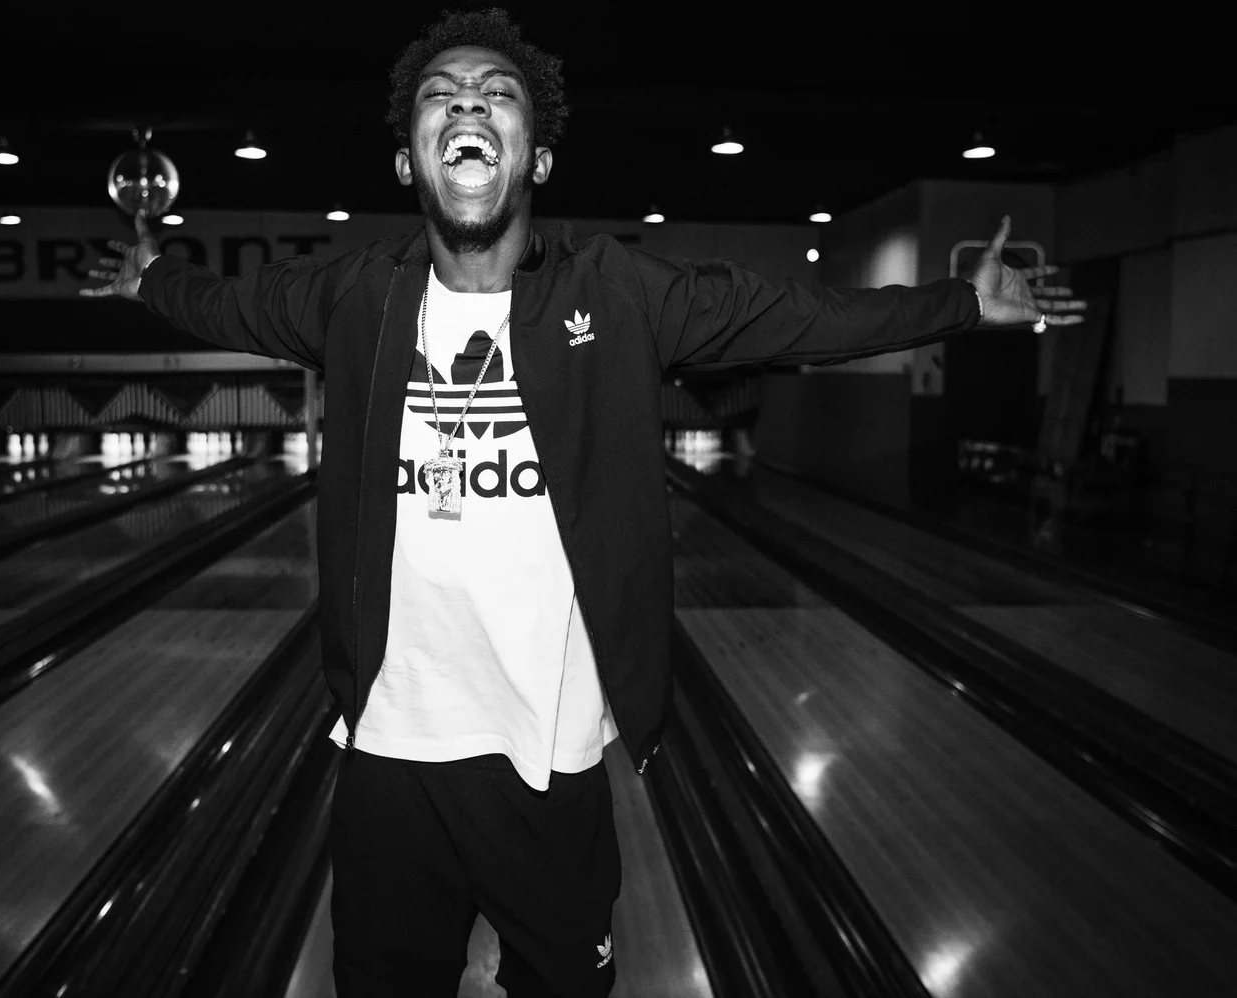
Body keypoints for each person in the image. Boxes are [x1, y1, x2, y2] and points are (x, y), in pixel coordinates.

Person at [81, 9, 1085, 994]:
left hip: (550, 760)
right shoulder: (356, 297)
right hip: (388, 755)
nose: (467, 103)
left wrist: (962, 302)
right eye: (440, 95)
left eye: (497, 93)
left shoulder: (615, 293)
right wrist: (150, 274)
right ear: (405, 161)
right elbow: (226, 302)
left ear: (541, 157)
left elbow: (797, 313)